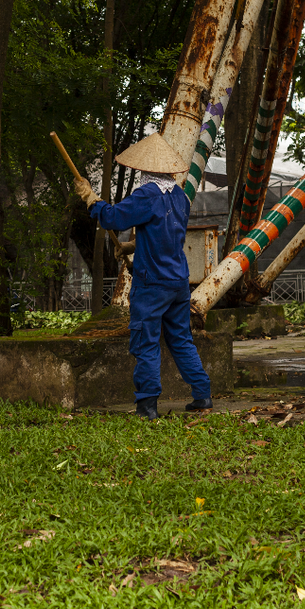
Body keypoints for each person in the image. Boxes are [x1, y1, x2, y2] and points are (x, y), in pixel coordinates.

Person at [73, 132, 212, 420]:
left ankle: (147, 406)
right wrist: (131, 246)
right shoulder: (180, 197)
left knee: (145, 342)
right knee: (181, 340)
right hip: (178, 282)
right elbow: (165, 234)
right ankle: (203, 394)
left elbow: (112, 218)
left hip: (152, 285)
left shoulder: (147, 195)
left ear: (145, 169)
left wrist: (90, 198)